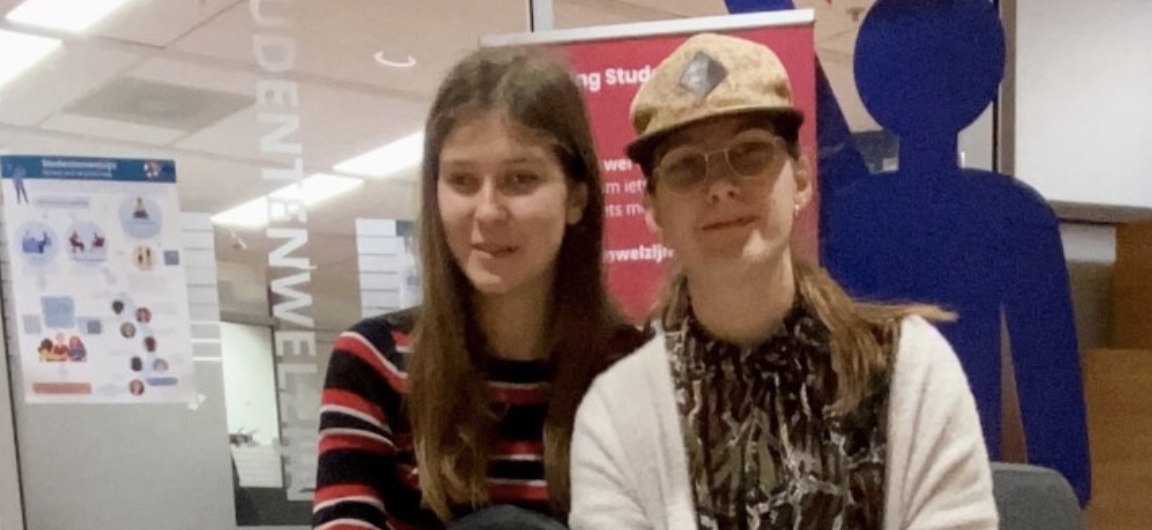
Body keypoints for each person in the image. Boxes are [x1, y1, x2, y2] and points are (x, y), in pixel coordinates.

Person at [568, 33, 997, 530]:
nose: (721, 188)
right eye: (686, 167)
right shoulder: (617, 416)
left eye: (750, 152)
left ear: (801, 178)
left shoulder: (910, 372)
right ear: (653, 210)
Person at [312, 46, 648, 530]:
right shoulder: (373, 362)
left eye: (520, 179)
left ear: (576, 197)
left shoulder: (634, 371)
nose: (488, 211)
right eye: (462, 181)